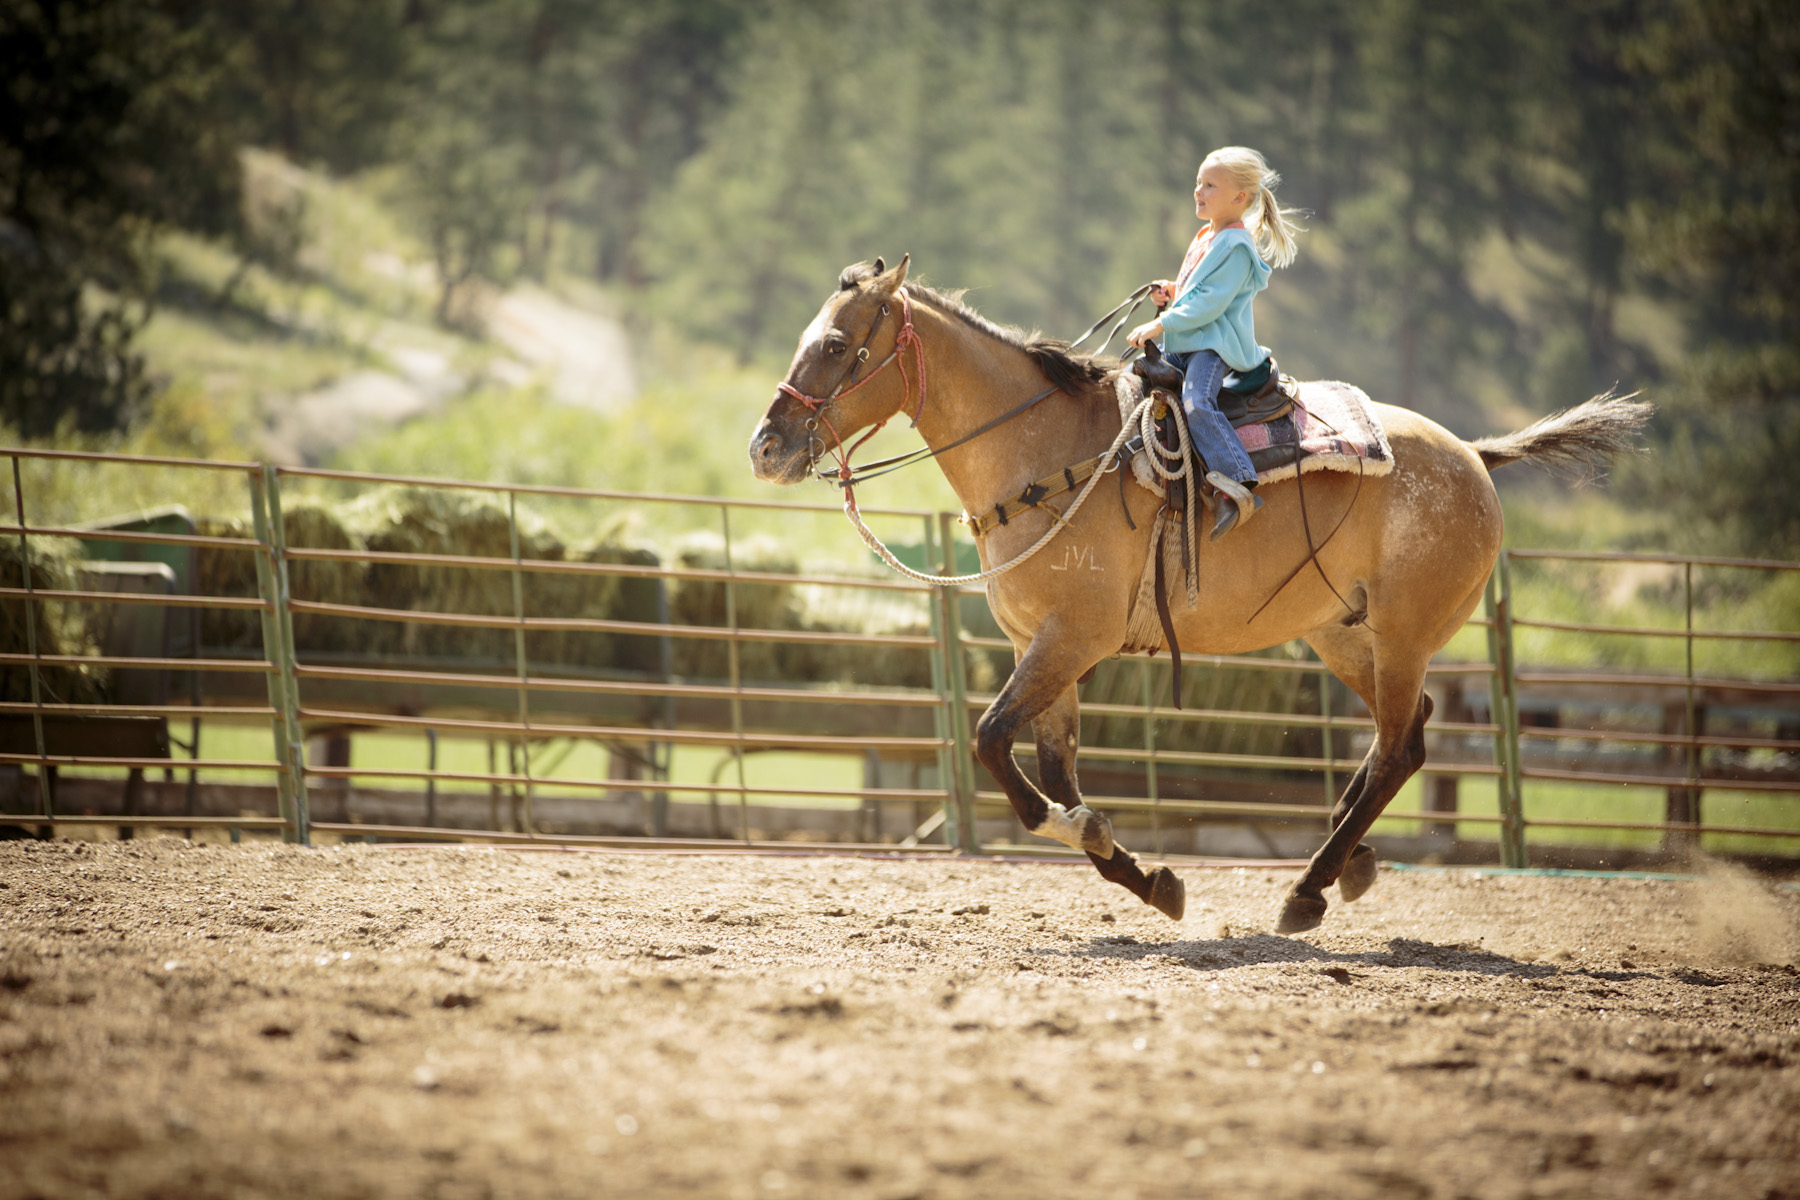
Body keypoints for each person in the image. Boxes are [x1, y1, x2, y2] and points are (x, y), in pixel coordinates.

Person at [1127, 146, 1301, 539]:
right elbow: (1196, 291)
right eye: (1197, 183)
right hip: (1190, 339)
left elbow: (1210, 304)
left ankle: (1237, 483)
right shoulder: (1209, 235)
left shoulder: (1237, 247)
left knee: (1197, 403)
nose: (1198, 191)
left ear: (1239, 197)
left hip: (1213, 347)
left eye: (1210, 185)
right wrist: (1173, 291)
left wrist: (1160, 325)